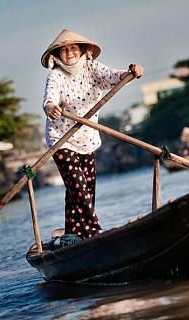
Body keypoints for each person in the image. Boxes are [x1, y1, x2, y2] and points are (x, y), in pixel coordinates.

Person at [41, 29, 143, 239]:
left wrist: (131, 72)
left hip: (87, 138)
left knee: (85, 188)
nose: (69, 53)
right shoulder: (56, 76)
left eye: (73, 48)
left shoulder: (92, 68)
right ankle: (95, 233)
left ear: (81, 51)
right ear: (58, 55)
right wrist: (50, 106)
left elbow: (115, 77)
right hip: (61, 139)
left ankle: (74, 233)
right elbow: (49, 98)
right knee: (79, 188)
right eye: (64, 50)